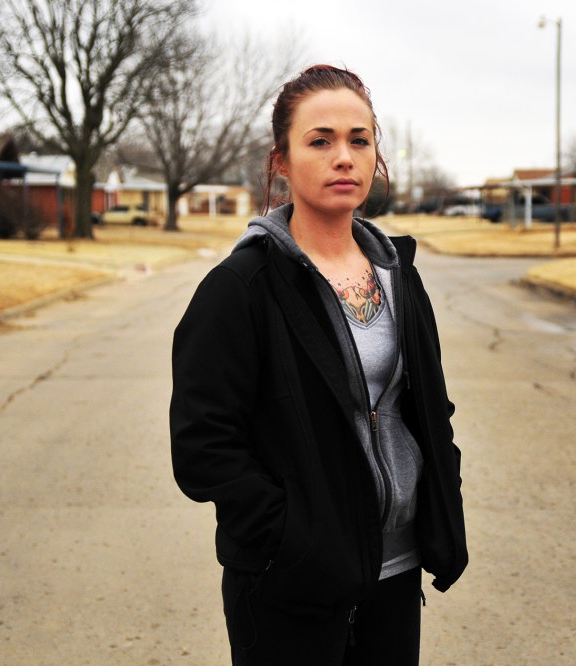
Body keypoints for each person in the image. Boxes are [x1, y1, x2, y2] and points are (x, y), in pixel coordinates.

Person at [170, 64, 468, 665]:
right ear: (281, 160)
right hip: (291, 584)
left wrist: (441, 500)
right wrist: (289, 538)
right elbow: (202, 445)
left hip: (396, 570)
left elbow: (431, 409)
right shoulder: (241, 287)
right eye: (321, 140)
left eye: (359, 140)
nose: (344, 157)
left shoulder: (400, 277)